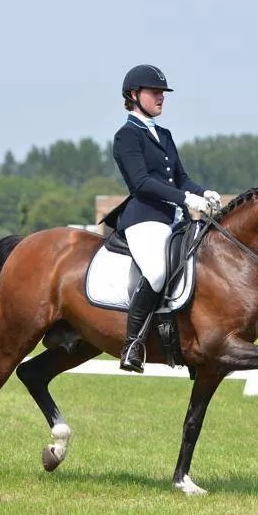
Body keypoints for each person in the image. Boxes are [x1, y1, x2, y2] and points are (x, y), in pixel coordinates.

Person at [104, 64, 220, 373]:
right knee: (156, 272)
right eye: (155, 93)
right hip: (144, 219)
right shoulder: (126, 136)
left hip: (173, 220)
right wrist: (185, 198)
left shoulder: (164, 134)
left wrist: (203, 192)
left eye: (162, 93)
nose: (161, 98)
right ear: (134, 95)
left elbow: (180, 178)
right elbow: (141, 182)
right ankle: (132, 344)